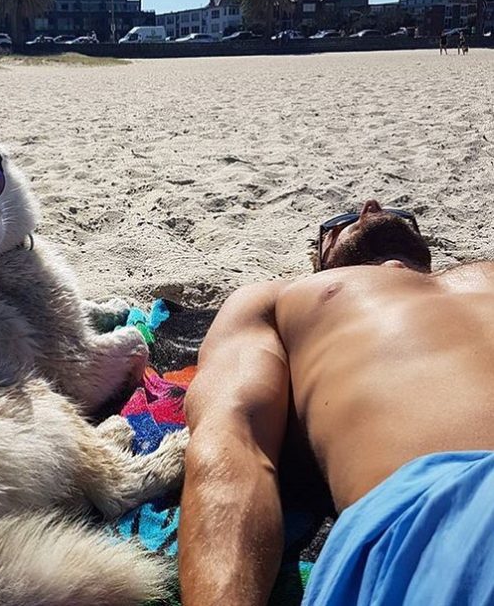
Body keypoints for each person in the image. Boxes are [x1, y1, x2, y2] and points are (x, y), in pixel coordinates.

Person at [179, 199, 494, 606]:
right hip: (441, 517)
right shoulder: (280, 298)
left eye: (400, 212)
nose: (373, 205)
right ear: (323, 262)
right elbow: (233, 439)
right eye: (340, 222)